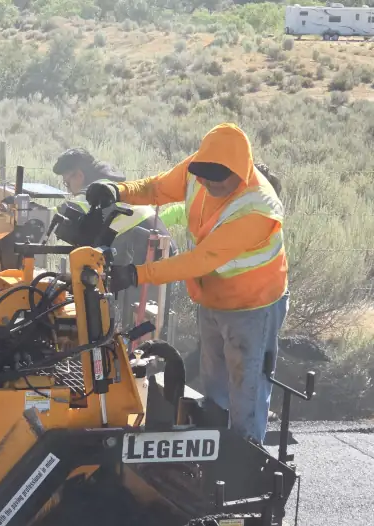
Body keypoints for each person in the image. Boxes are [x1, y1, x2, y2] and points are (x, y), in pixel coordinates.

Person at [85, 123, 289, 445]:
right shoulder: (202, 171)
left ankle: (245, 465)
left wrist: (137, 274)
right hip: (213, 299)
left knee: (245, 390)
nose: (205, 181)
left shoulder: (257, 209)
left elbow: (199, 261)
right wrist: (118, 191)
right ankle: (213, 453)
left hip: (252, 308)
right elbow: (157, 188)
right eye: (202, 173)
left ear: (238, 172)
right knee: (215, 384)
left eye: (214, 177)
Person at [51, 148, 180, 335]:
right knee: (153, 323)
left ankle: (132, 360)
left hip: (146, 251)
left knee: (137, 325)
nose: (68, 189)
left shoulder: (94, 193)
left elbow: (62, 213)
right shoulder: (112, 185)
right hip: (159, 249)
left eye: (67, 182)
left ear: (78, 175)